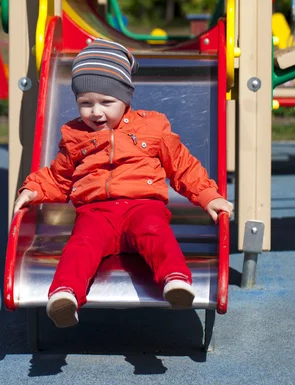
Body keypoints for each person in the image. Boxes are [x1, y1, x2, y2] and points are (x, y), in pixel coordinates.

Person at [13, 38, 233, 328]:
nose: (96, 112)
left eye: (107, 102)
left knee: (155, 232)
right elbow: (59, 175)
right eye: (85, 103)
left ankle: (175, 281)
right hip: (96, 214)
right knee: (81, 245)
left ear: (126, 98)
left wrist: (208, 196)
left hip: (142, 207)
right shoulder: (75, 136)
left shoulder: (152, 127)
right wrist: (33, 190)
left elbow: (182, 166)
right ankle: (64, 295)